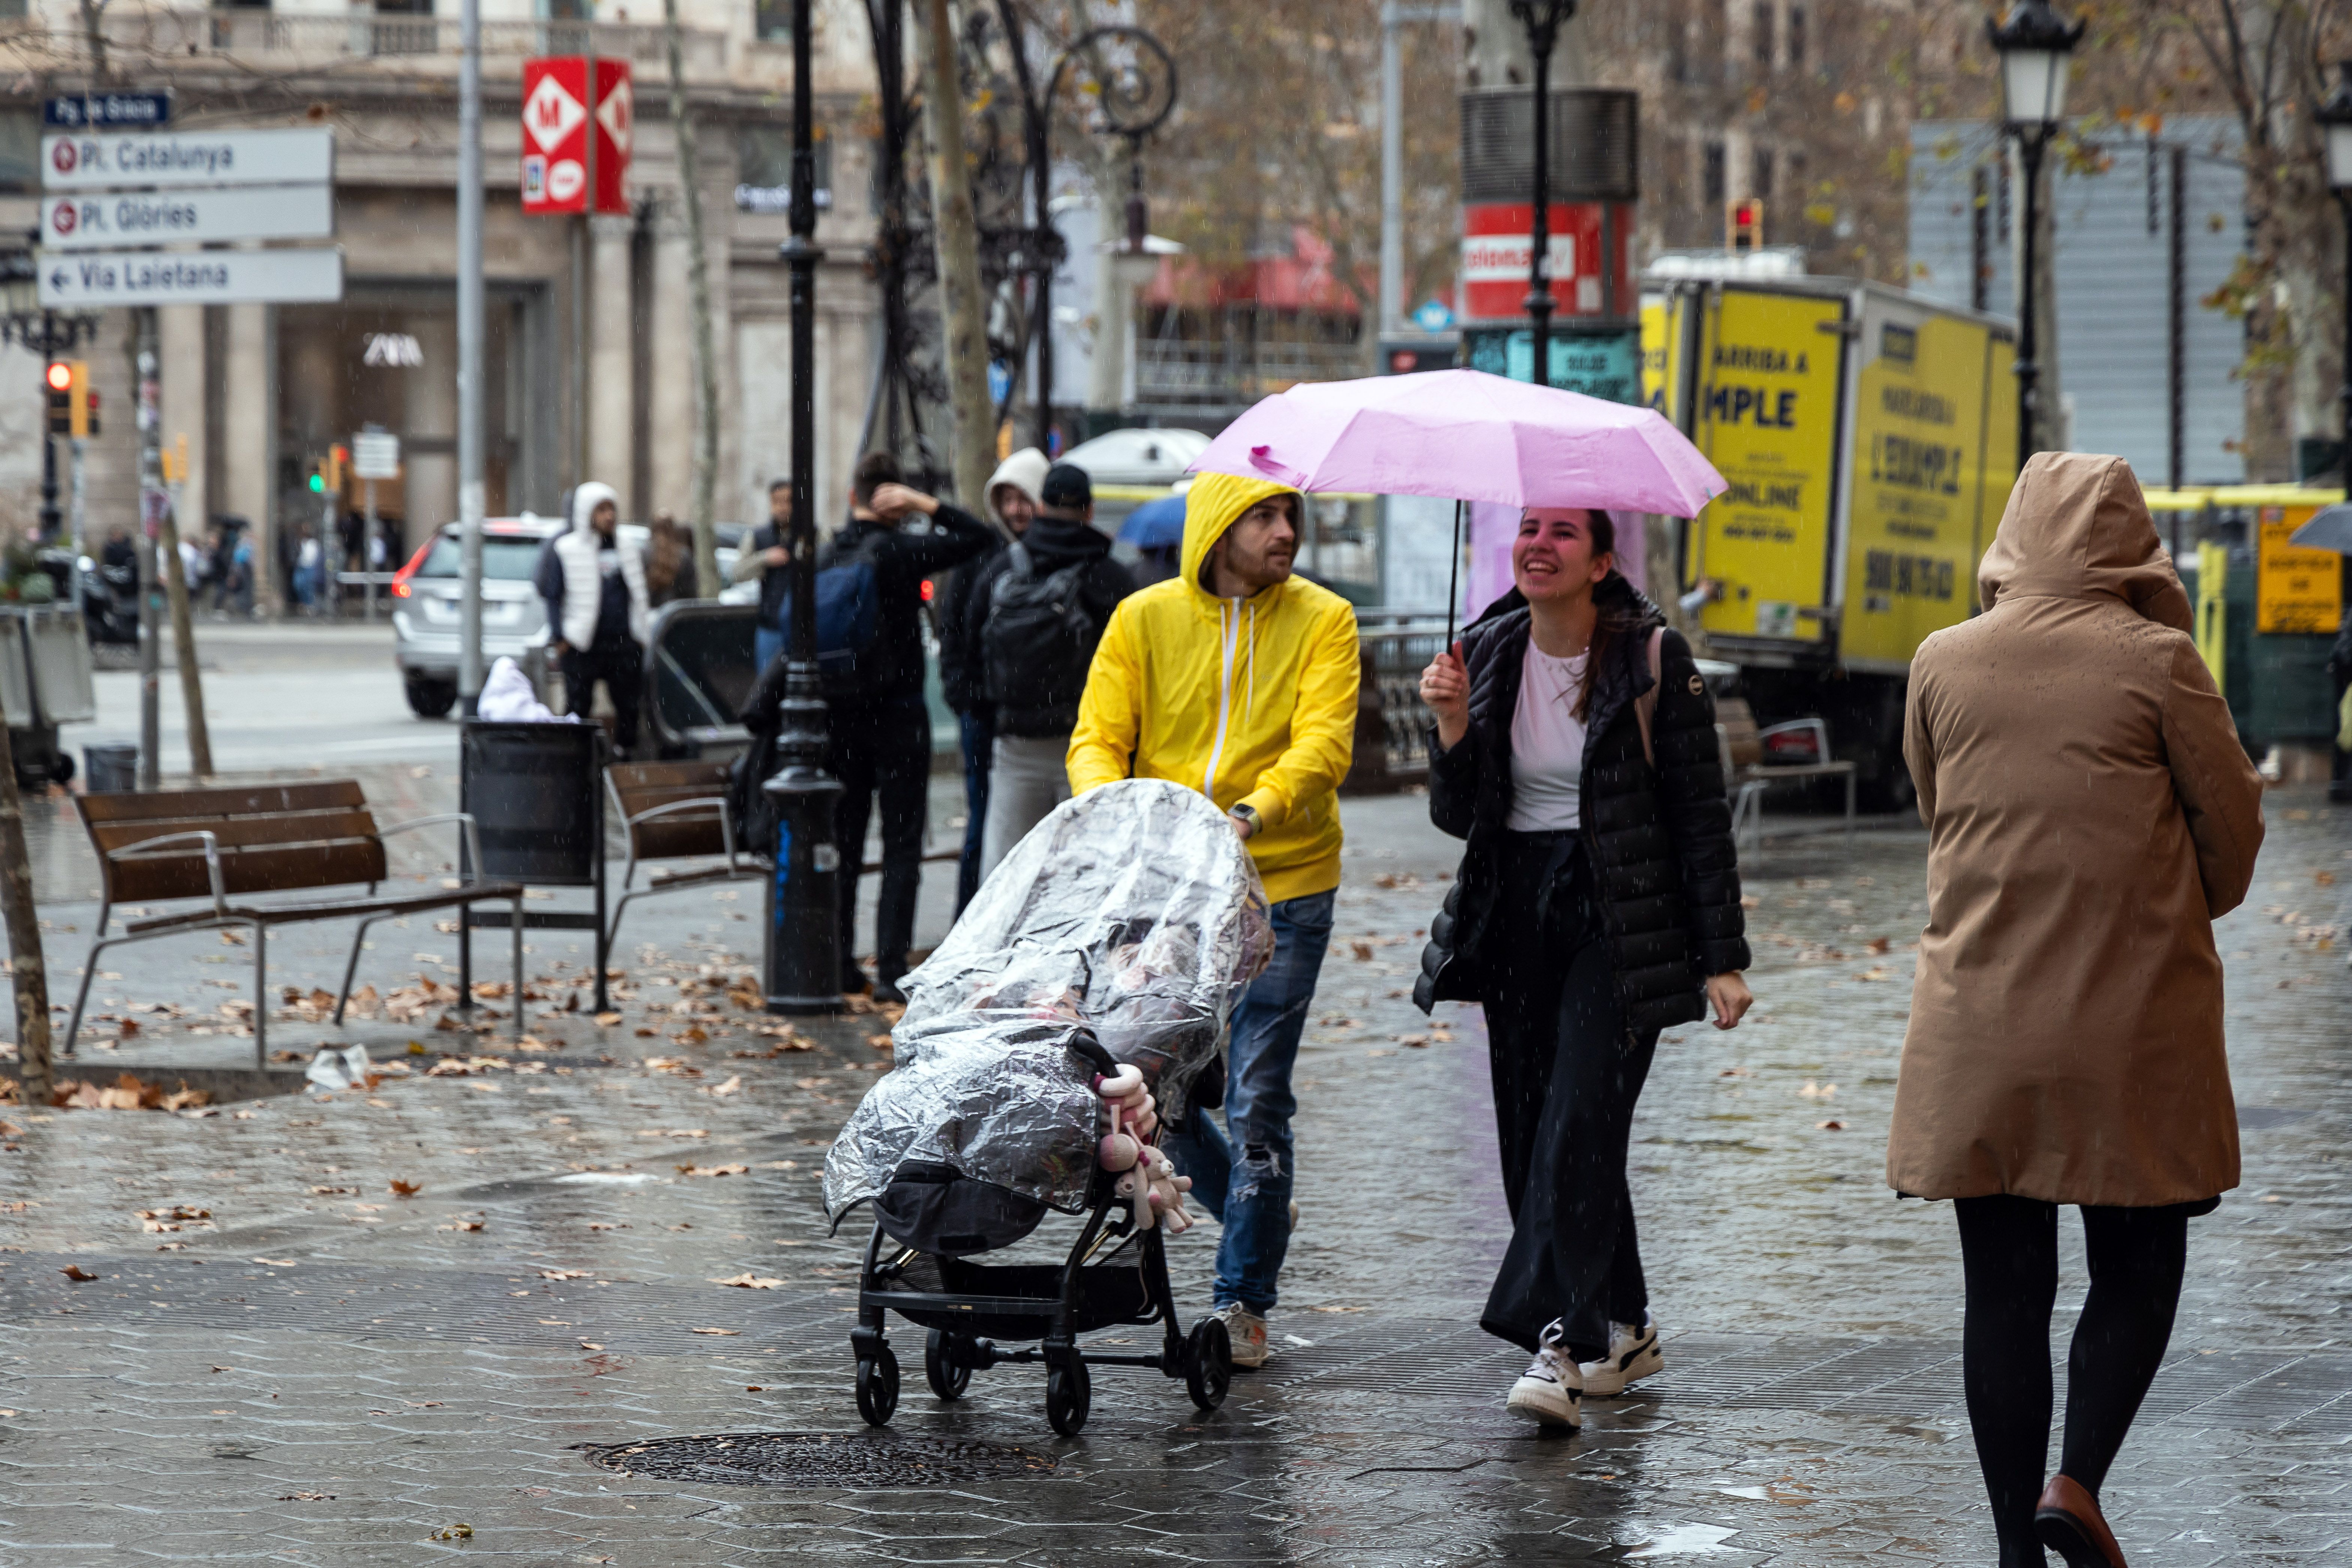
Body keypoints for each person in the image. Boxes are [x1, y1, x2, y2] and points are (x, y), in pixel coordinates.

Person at [1887, 453, 2264, 1568]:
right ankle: (2077, 1481)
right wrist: (2165, 898)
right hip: (2132, 1022)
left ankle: (2015, 1546)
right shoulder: (2160, 661)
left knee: (2002, 1289)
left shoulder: (1939, 661)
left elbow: (1935, 806)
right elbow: (2232, 831)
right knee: (2138, 1260)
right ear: (2130, 540)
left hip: (1977, 1022)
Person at [1413, 507, 1751, 1430]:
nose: (1538, 543)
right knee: (1538, 1135)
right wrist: (1450, 725)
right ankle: (1629, 1327)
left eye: (1563, 532)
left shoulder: (1650, 657)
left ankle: (1558, 1343)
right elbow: (1462, 814)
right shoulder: (1486, 651)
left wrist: (1721, 959)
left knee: (1577, 1119)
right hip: (1515, 911)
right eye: (1528, 526)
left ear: (1601, 561)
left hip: (1620, 917)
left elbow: (1697, 814)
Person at [1068, 472, 1359, 1372]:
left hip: (1285, 884)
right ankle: (1248, 1196)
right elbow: (1097, 734)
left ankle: (1242, 1303)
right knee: (1159, 1087)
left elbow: (1323, 741)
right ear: (1216, 527)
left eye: (1291, 516)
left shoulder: (1325, 620)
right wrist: (1112, 814)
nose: (1285, 533)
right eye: (1263, 516)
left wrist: (1252, 811)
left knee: (1259, 1097)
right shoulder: (1143, 618)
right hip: (1165, 900)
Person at [826, 451, 996, 1001]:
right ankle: (889, 968)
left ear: (853, 497)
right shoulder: (901, 550)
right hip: (897, 714)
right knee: (901, 845)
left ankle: (837, 962)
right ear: (894, 502)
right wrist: (925, 503)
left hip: (838, 718)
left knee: (845, 843)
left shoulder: (830, 553)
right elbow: (980, 537)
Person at [965, 462, 1132, 879]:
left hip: (1016, 745)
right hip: (1090, 748)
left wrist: (987, 715)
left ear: (1040, 506)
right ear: (1090, 511)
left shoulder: (1003, 568)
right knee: (1089, 879)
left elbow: (965, 643)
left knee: (1007, 876)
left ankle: (1006, 947)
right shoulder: (1109, 576)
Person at [936, 446, 1048, 915]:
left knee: (997, 827)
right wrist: (967, 698)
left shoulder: (1037, 556)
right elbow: (953, 632)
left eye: (1024, 499)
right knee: (983, 825)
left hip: (1015, 718)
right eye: (1007, 500)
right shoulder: (981, 560)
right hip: (986, 714)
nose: (1015, 511)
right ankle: (972, 921)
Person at [534, 480, 650, 756]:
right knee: (578, 704)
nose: (609, 515)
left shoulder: (627, 546)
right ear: (587, 513)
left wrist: (641, 633)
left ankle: (624, 755)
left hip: (623, 641)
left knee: (629, 705)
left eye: (612, 508)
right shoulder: (566, 548)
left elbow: (638, 591)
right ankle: (574, 757)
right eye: (601, 509)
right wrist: (560, 636)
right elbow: (553, 594)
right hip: (582, 642)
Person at [733, 479, 795, 673]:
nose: (782, 508)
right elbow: (737, 573)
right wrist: (765, 559)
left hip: (801, 626)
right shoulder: (758, 536)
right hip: (771, 625)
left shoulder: (812, 534)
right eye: (777, 502)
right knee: (768, 685)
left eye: (788, 501)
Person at [644, 510, 699, 608]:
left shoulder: (645, 554)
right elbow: (691, 594)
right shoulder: (684, 556)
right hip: (676, 614)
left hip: (651, 613)